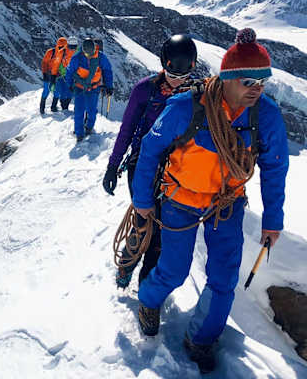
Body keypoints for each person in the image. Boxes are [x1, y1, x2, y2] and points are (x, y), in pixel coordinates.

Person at [131, 28, 288, 373]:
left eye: (262, 80)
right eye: (248, 81)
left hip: (227, 203)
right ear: (227, 78)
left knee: (224, 278)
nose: (256, 88)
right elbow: (150, 151)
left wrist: (273, 220)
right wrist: (142, 200)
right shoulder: (187, 107)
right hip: (181, 198)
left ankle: (201, 338)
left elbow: (275, 168)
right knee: (174, 270)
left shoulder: (266, 116)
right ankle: (149, 301)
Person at [104, 35, 198, 288]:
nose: (177, 76)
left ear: (192, 65)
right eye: (172, 68)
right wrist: (113, 166)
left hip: (179, 171)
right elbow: (127, 130)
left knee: (162, 229)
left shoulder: (197, 94)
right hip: (142, 167)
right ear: (164, 63)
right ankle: (127, 264)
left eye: (184, 69)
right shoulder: (145, 90)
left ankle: (147, 280)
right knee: (144, 221)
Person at [65, 38, 113, 141]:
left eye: (91, 54)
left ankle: (89, 127)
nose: (89, 56)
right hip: (80, 88)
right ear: (83, 50)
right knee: (79, 111)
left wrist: (109, 86)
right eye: (87, 54)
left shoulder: (101, 57)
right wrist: (69, 85)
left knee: (91, 111)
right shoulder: (77, 58)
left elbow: (107, 71)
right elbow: (69, 72)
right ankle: (79, 134)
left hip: (94, 88)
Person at [49, 37, 75, 112]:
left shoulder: (62, 52)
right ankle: (61, 107)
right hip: (63, 76)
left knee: (64, 91)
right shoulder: (62, 52)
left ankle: (61, 106)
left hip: (64, 75)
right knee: (63, 91)